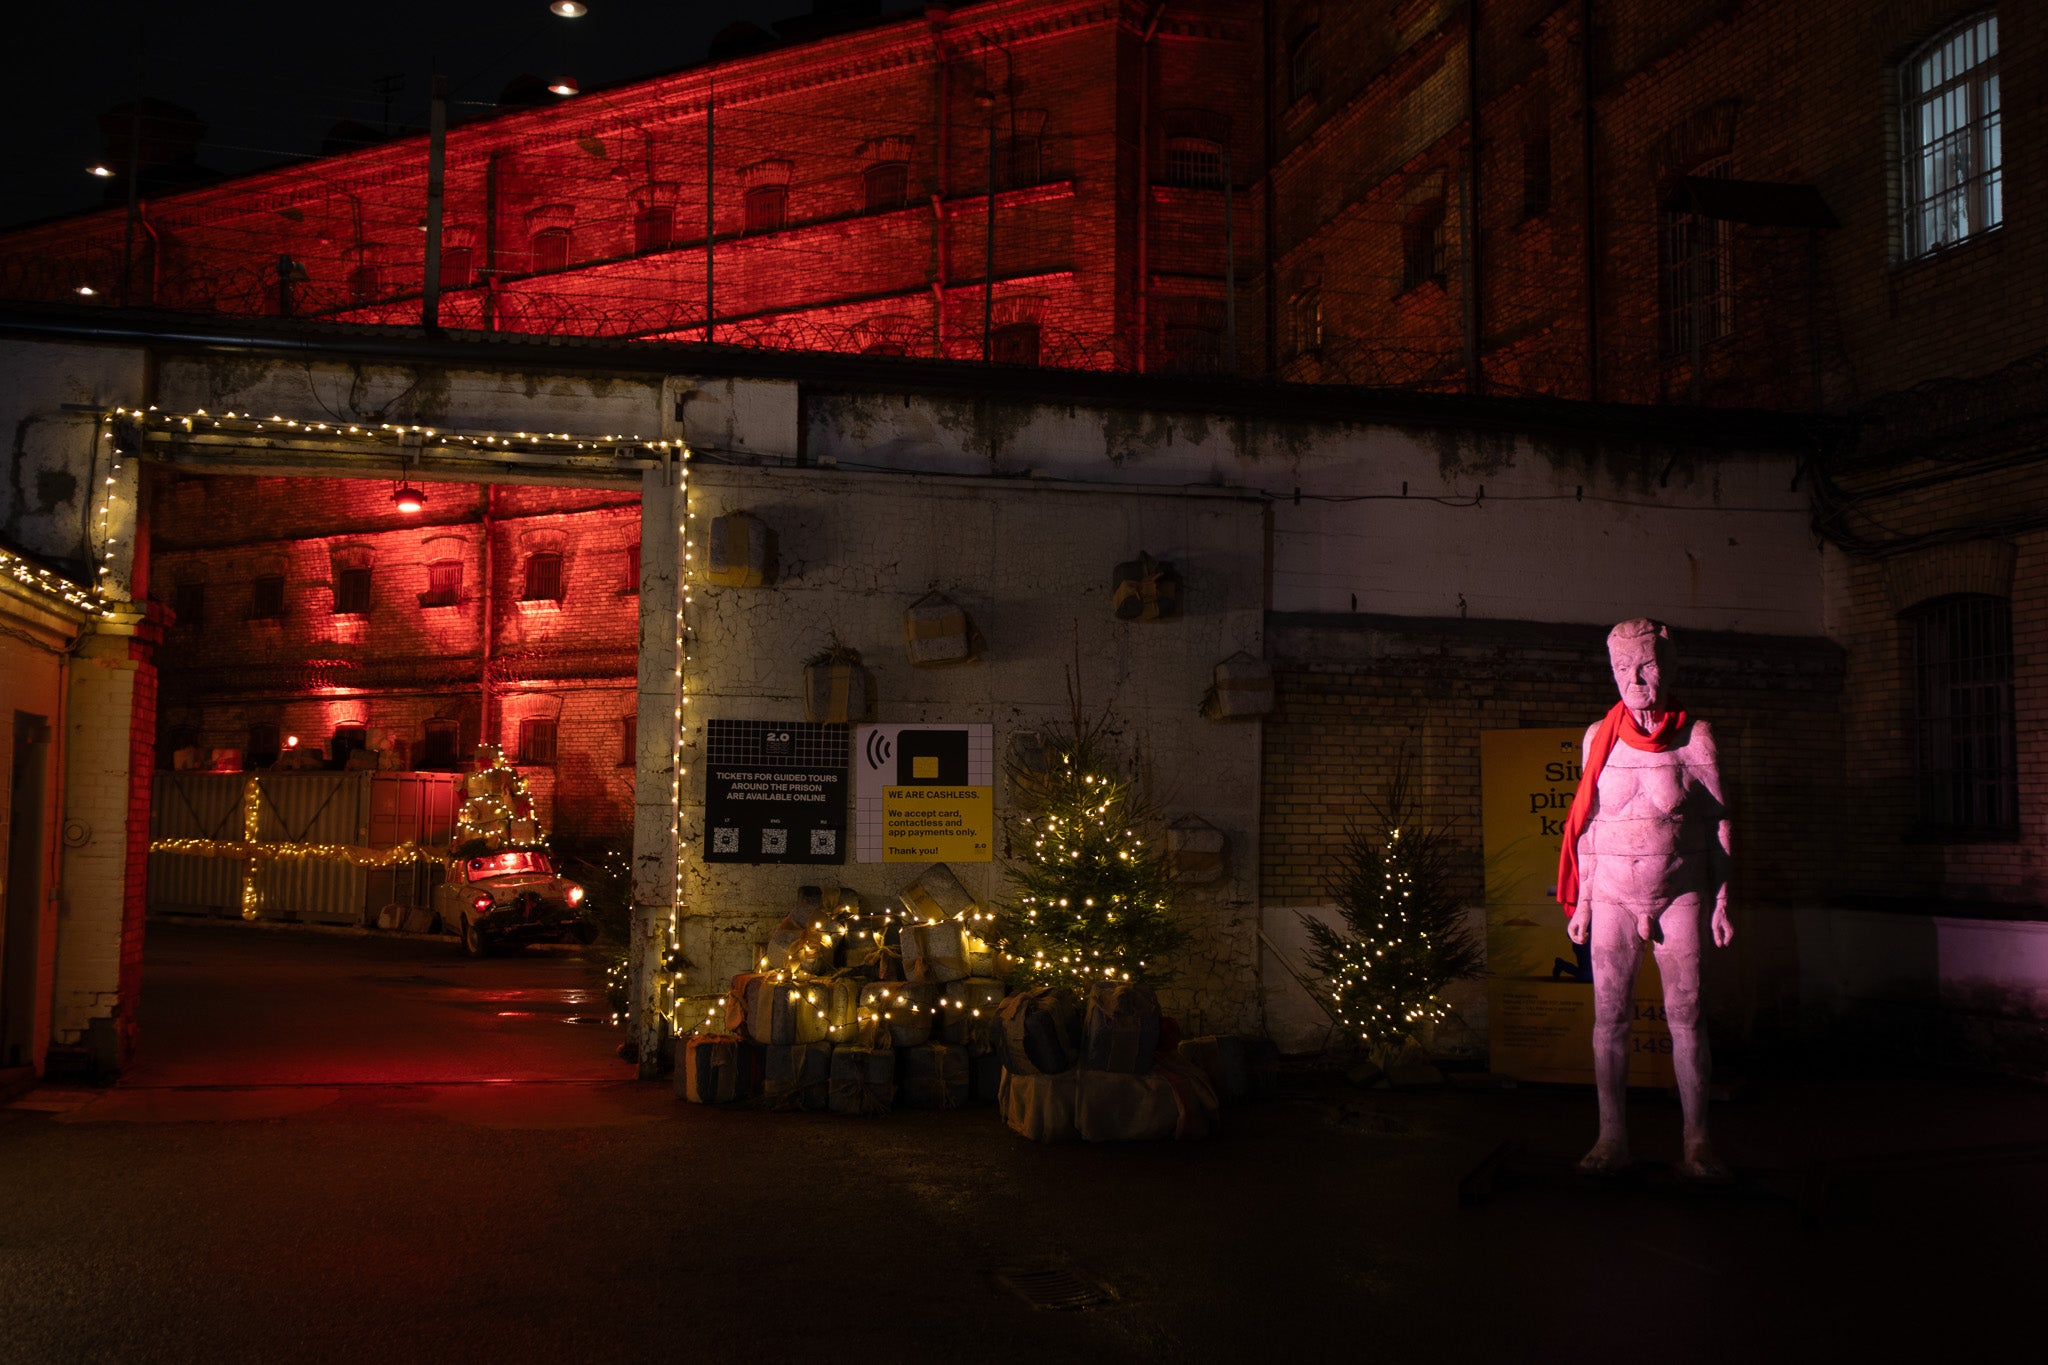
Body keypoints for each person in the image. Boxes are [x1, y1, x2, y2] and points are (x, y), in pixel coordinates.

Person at [1555, 618, 1732, 1180]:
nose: (1634, 679)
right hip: (1610, 896)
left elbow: (1719, 823)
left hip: (1680, 894)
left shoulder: (1695, 737)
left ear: (1668, 668)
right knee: (1609, 1018)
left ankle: (1697, 1143)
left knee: (1687, 1017)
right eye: (1622, 668)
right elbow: (1587, 822)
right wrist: (1584, 902)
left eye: (1647, 665)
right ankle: (1611, 1138)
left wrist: (1723, 899)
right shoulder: (1598, 737)